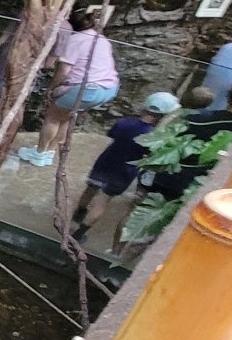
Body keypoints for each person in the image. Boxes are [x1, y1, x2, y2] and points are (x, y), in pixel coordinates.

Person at [70, 92, 180, 243]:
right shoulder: (151, 136)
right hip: (124, 172)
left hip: (105, 162)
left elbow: (112, 134)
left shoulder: (124, 123)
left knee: (91, 188)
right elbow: (150, 154)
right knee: (103, 201)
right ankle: (79, 233)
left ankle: (79, 212)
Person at [18, 6, 119, 167]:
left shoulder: (76, 39)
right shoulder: (102, 40)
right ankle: (50, 152)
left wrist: (52, 90)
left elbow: (64, 70)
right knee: (66, 117)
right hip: (109, 88)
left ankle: (39, 154)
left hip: (87, 88)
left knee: (53, 116)